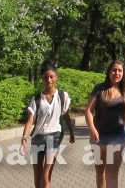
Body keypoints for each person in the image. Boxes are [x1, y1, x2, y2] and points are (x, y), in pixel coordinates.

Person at [21, 60, 76, 188]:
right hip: (37, 138)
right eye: (46, 77)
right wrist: (24, 138)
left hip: (54, 137)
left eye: (51, 77)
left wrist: (71, 132)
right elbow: (30, 120)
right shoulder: (36, 99)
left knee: (46, 176)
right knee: (38, 177)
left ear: (56, 77)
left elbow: (65, 115)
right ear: (42, 79)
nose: (49, 80)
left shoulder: (62, 96)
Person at [85, 59, 125, 188]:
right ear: (109, 72)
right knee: (100, 172)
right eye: (114, 70)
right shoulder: (100, 88)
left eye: (120, 71)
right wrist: (92, 128)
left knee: (112, 172)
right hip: (98, 136)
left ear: (123, 73)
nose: (117, 73)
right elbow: (88, 110)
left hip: (118, 135)